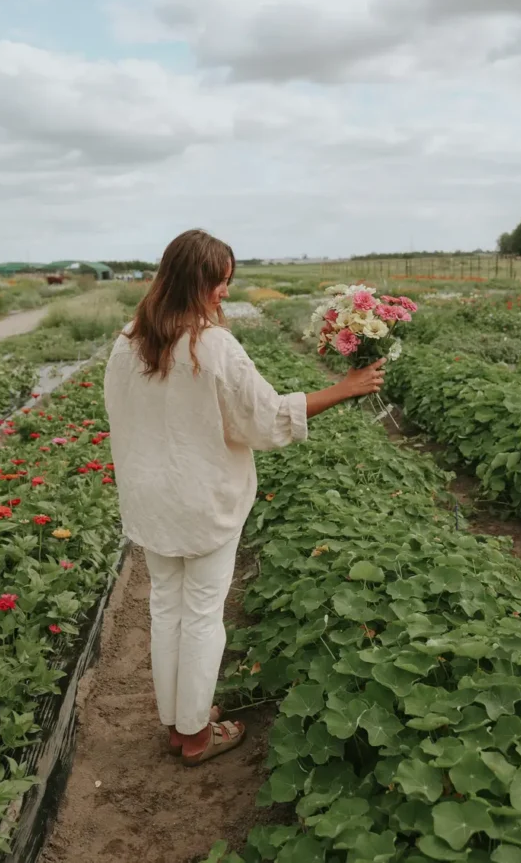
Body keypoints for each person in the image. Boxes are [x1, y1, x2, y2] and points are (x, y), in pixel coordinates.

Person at [104, 229, 385, 766]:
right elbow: (264, 418)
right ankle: (196, 735)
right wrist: (343, 388)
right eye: (220, 283)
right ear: (196, 282)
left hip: (151, 497)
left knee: (166, 607)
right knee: (203, 612)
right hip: (202, 497)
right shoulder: (211, 345)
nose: (225, 293)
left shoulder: (127, 341)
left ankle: (177, 719)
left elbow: (121, 414)